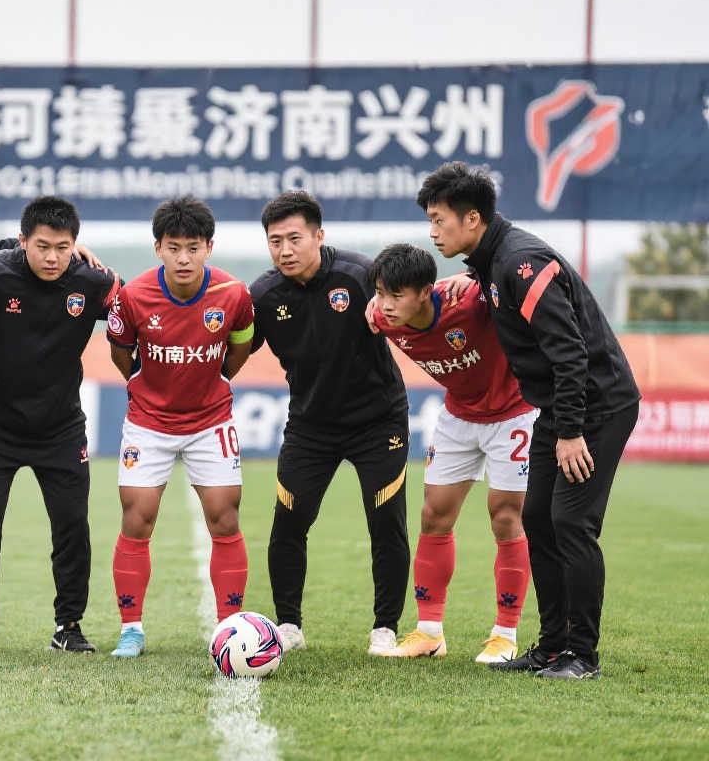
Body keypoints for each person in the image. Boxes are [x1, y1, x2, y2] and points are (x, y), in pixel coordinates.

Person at [416, 161, 641, 679]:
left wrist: (571, 432)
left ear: (472, 219)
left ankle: (582, 656)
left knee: (571, 524)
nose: (433, 232)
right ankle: (552, 647)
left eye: (439, 219)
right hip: (558, 408)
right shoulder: (492, 260)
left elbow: (570, 352)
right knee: (536, 518)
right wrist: (467, 278)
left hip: (597, 406)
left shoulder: (520, 262)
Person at [249, 190, 410, 656]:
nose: (285, 250)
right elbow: (235, 348)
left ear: (319, 236)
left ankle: (385, 628)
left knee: (386, 523)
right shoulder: (263, 296)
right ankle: (288, 626)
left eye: (294, 238)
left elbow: (414, 305)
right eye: (275, 241)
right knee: (288, 523)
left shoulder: (360, 275)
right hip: (310, 427)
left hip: (379, 422)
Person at [0, 196, 119, 655]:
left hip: (60, 428)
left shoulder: (93, 281)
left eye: (63, 247)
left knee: (72, 524)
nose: (52, 257)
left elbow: (139, 310)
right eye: (42, 246)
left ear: (75, 245)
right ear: (23, 241)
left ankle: (69, 626)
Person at [366, 243, 536, 663]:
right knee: (434, 515)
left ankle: (505, 635)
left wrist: (476, 277)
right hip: (458, 416)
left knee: (505, 517)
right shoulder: (380, 318)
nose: (385, 305)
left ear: (426, 292)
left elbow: (511, 282)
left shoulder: (468, 301)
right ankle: (429, 633)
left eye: (396, 295)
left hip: (513, 413)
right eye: (381, 293)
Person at [106, 196, 254, 658]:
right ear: (158, 249)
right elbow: (120, 352)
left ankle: (230, 628)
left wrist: (220, 379)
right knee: (137, 518)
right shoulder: (133, 296)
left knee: (225, 517)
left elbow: (240, 346)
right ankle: (131, 630)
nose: (183, 258)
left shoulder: (233, 294)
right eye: (174, 248)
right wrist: (141, 385)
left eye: (193, 248)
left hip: (211, 420)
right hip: (148, 422)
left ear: (209, 247)